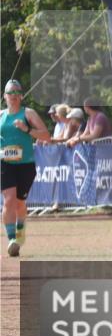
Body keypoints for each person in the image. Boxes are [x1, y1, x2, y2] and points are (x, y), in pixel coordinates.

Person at [2, 80, 50, 256]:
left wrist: (26, 129)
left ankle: (20, 231)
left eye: (16, 93)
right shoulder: (1, 116)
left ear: (21, 96)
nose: (13, 96)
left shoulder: (28, 113)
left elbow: (46, 136)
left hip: (25, 165)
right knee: (9, 200)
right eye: (10, 93)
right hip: (5, 164)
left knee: (20, 203)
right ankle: (12, 239)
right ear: (5, 96)